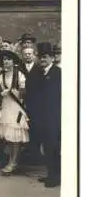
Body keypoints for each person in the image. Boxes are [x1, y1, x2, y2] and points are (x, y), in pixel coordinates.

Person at [0, 50, 29, 176]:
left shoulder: (19, 74)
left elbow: (24, 93)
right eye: (4, 59)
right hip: (6, 106)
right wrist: (2, 94)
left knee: (15, 137)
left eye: (8, 59)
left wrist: (10, 91)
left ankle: (13, 162)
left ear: (13, 61)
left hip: (16, 107)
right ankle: (11, 160)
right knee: (9, 137)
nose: (6, 62)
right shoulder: (1, 76)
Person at [34, 43, 61, 188]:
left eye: (45, 57)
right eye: (40, 57)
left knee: (54, 147)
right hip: (44, 117)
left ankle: (55, 177)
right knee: (47, 146)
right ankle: (50, 174)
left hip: (54, 117)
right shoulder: (40, 72)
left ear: (52, 57)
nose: (42, 59)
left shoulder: (57, 73)